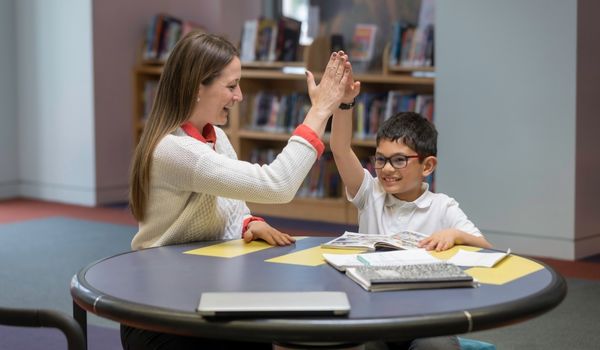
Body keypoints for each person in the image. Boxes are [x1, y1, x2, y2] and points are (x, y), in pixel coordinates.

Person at [124, 31, 352, 350]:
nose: (240, 96)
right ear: (195, 87)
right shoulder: (174, 150)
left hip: (199, 295)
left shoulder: (215, 137)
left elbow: (232, 206)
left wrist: (247, 223)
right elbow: (278, 184)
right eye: (231, 86)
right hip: (162, 316)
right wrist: (319, 112)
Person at [329, 53, 492, 350]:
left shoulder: (443, 206)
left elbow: (486, 250)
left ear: (427, 166)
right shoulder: (371, 192)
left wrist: (455, 234)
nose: (387, 169)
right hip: (377, 315)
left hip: (429, 317)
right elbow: (339, 148)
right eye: (381, 160)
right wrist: (345, 103)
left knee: (436, 347)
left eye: (400, 160)